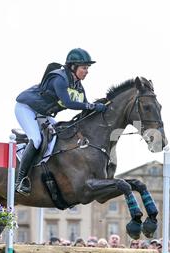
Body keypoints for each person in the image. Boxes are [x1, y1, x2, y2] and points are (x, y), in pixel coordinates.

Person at [14, 48, 107, 195]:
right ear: (73, 67)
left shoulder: (77, 86)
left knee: (57, 135)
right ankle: (20, 180)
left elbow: (85, 107)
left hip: (42, 112)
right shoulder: (59, 79)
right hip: (26, 108)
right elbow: (69, 103)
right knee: (37, 139)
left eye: (87, 68)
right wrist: (94, 106)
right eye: (84, 68)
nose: (87, 71)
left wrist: (103, 107)